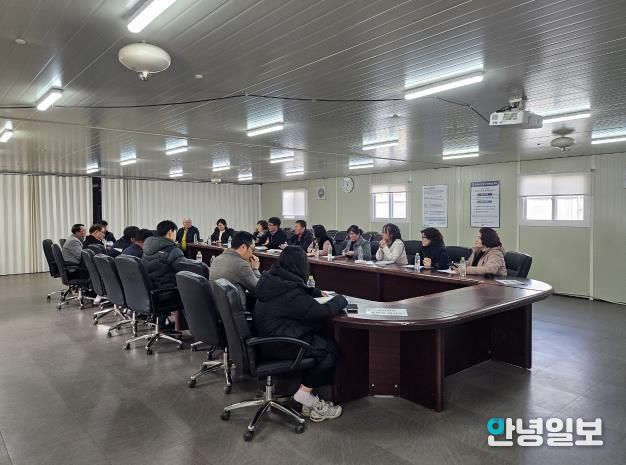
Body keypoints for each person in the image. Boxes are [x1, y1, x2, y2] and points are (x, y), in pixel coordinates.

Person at [254, 246, 347, 422]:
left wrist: (314, 292)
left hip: (266, 339)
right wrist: (340, 300)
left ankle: (306, 395)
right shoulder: (290, 293)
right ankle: (304, 396)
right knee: (328, 350)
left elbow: (295, 291)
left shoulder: (271, 279)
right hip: (280, 343)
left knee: (320, 338)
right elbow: (320, 312)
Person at [142, 220, 191, 330]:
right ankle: (196, 329)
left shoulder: (147, 248)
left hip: (151, 290)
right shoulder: (173, 250)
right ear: (170, 232)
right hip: (167, 291)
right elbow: (185, 269)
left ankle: (168, 320)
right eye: (175, 232)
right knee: (193, 290)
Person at [209, 231, 261, 312]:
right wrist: (255, 269)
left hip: (219, 310)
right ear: (243, 247)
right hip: (235, 312)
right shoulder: (241, 265)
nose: (252, 253)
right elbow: (259, 289)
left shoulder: (217, 259)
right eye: (253, 249)